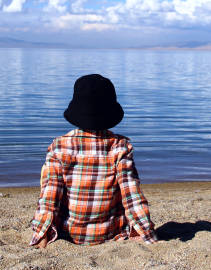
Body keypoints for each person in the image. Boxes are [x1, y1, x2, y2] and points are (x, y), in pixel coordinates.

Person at [30, 74, 158, 247]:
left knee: (49, 178)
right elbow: (132, 195)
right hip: (110, 232)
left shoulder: (59, 146)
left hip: (69, 233)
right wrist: (145, 233)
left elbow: (50, 195)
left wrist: (41, 233)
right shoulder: (120, 147)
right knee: (123, 186)